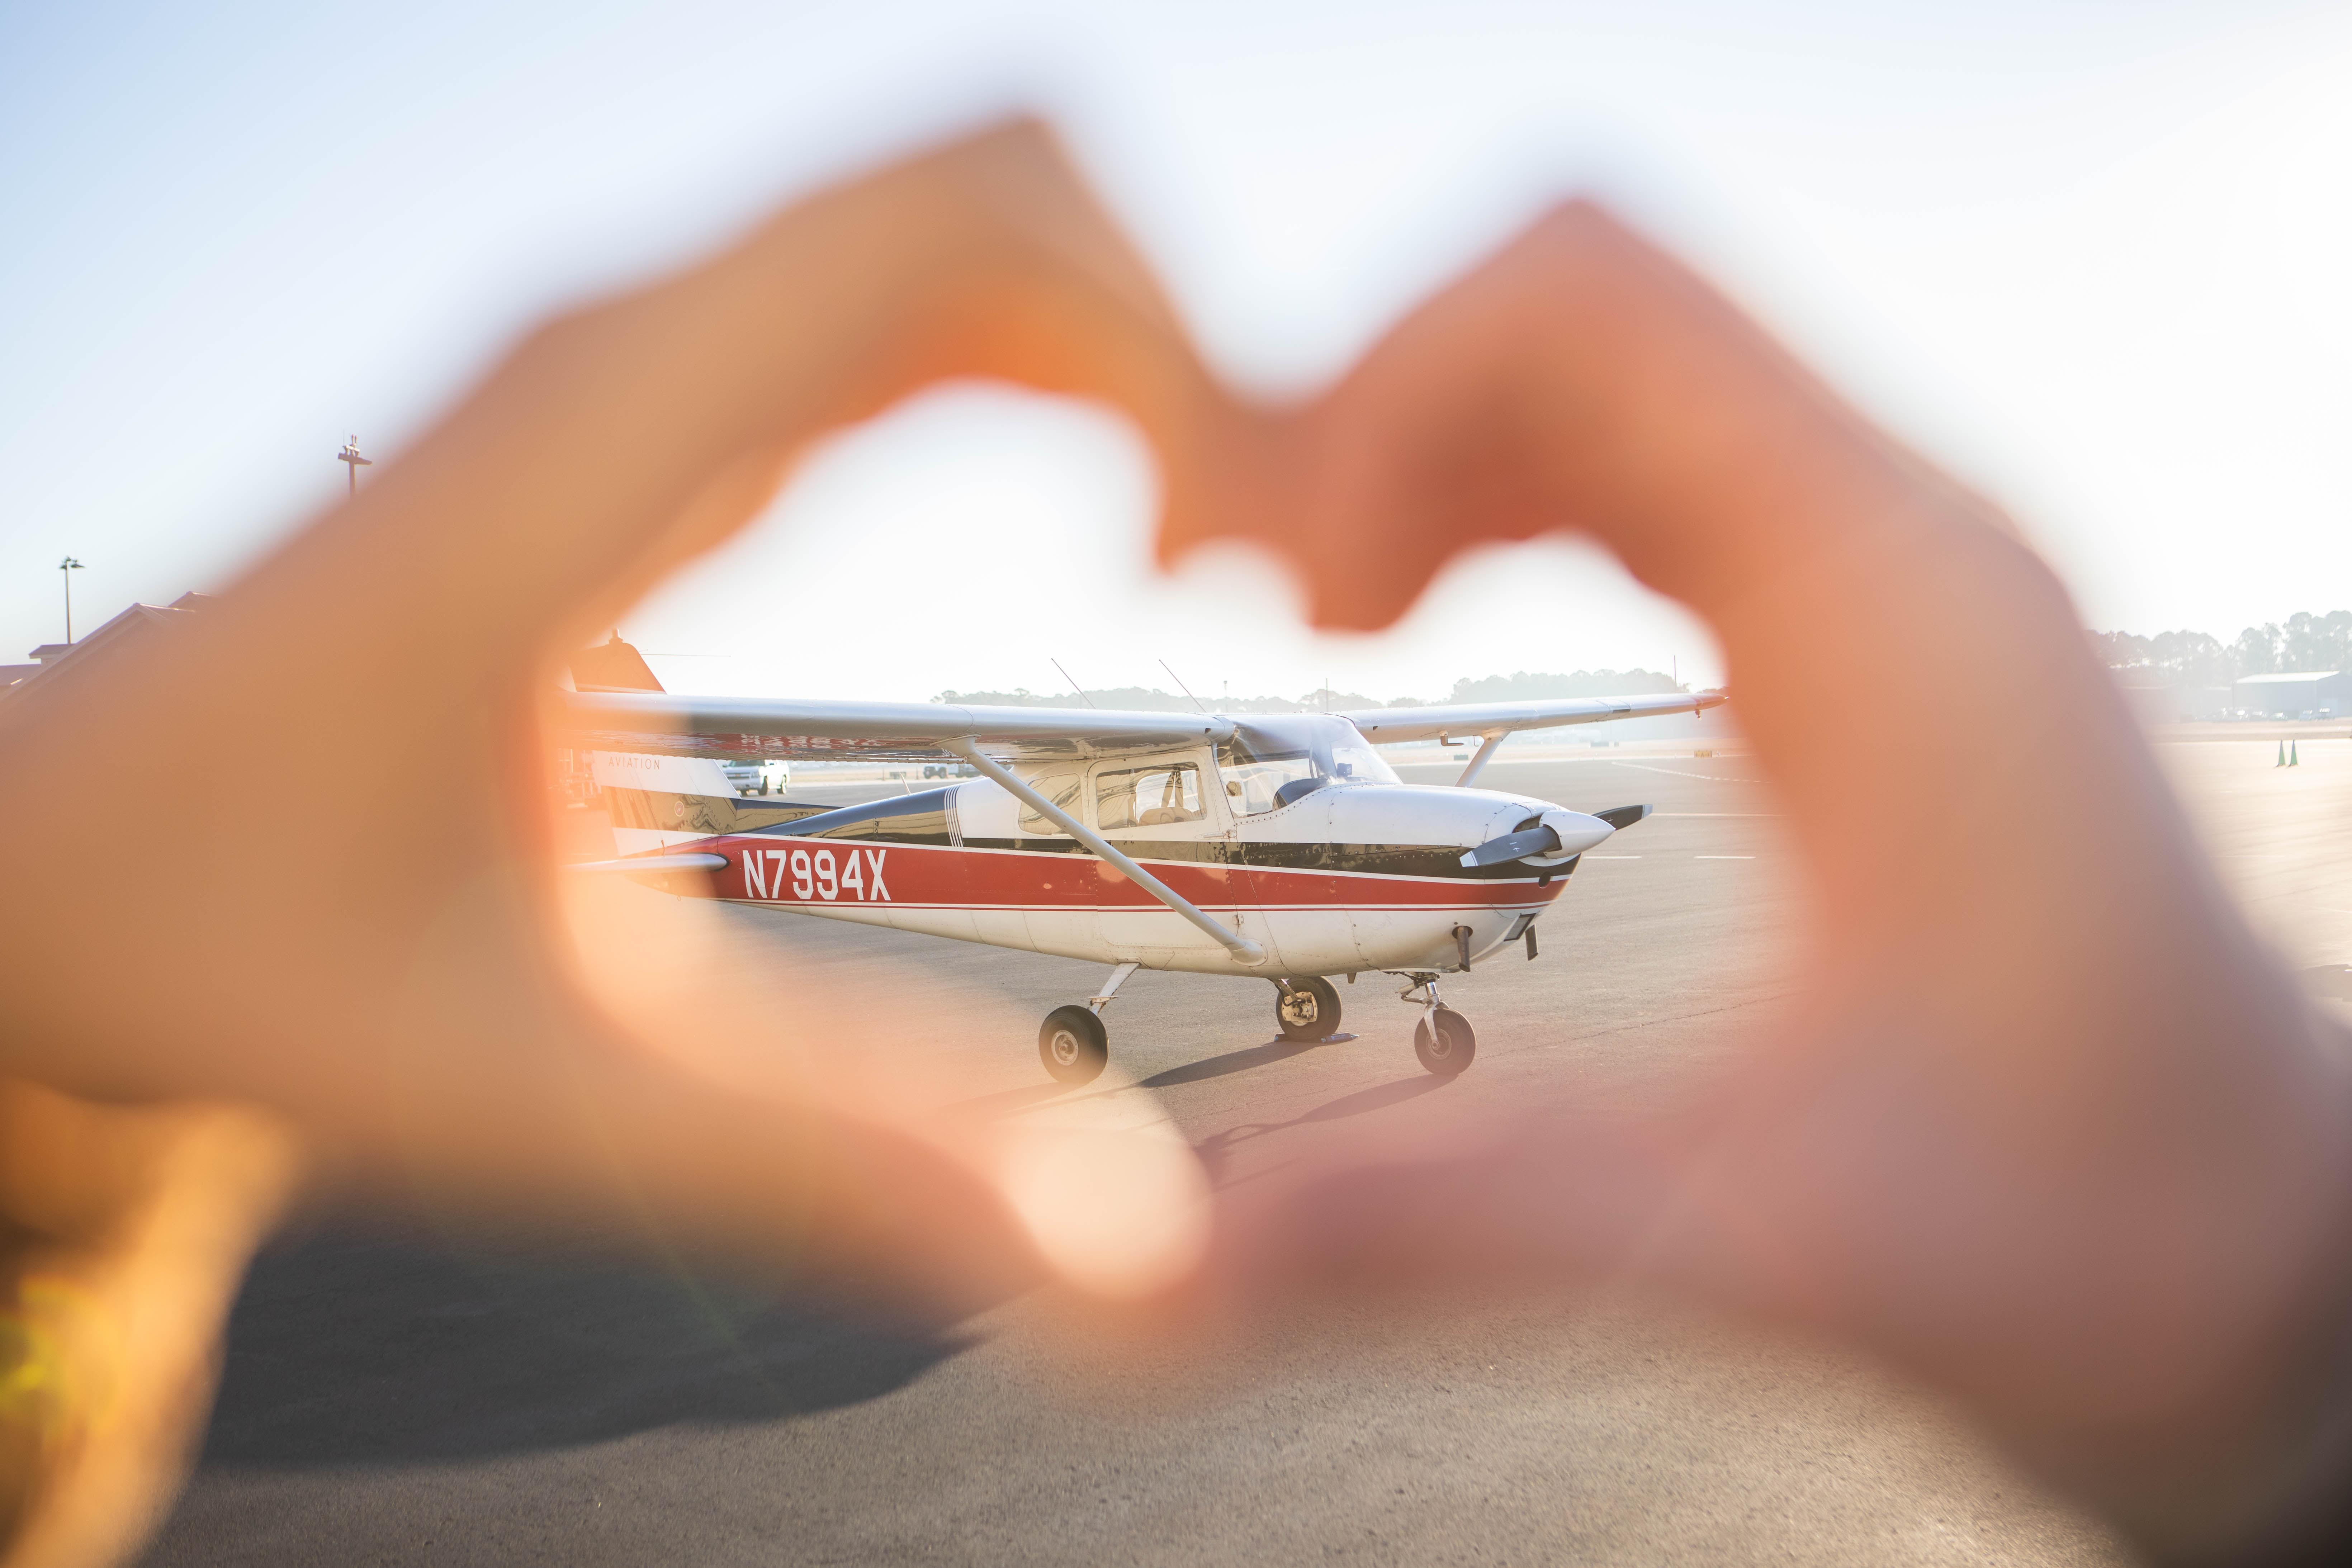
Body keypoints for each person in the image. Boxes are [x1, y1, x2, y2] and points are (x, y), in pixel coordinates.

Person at [1, 118, 2346, 1568]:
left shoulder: (1347, 788)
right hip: (1023, 890)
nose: (1454, 827)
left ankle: (1312, 986)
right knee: (1092, 1020)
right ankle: (1096, 1011)